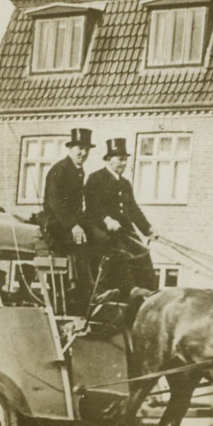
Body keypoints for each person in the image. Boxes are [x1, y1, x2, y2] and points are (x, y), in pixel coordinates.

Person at [85, 137, 159, 310]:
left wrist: (148, 229)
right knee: (118, 251)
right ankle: (127, 288)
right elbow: (92, 205)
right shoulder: (96, 178)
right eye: (119, 159)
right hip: (101, 226)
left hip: (123, 228)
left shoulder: (125, 183)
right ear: (109, 160)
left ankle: (149, 290)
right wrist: (107, 219)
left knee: (142, 250)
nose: (123, 163)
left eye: (125, 160)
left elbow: (133, 209)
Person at [42, 127, 94, 313]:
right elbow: (55, 202)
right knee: (80, 244)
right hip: (56, 223)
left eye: (87, 149)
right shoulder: (60, 170)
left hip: (70, 221)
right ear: (70, 149)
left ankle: (94, 288)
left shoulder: (79, 171)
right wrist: (73, 225)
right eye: (80, 148)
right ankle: (80, 290)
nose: (83, 152)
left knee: (102, 237)